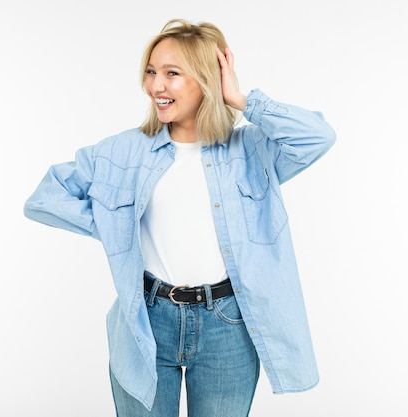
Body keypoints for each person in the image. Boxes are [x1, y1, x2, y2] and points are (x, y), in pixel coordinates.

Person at [24, 18, 336, 417]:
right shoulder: (124, 152)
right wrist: (115, 226)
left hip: (228, 324)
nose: (156, 85)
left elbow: (317, 137)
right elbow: (45, 197)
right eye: (152, 72)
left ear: (206, 79)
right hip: (147, 320)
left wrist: (240, 99)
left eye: (173, 73)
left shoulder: (252, 151)